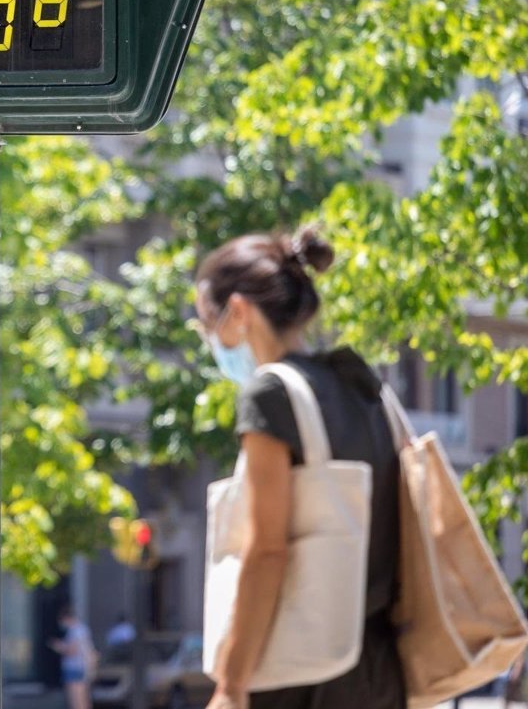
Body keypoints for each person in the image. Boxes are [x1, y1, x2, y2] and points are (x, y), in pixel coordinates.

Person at [195, 229, 404, 709]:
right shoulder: (363, 387)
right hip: (379, 667)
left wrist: (231, 683)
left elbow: (267, 551)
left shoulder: (271, 395)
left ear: (240, 312)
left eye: (207, 323)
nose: (210, 340)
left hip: (302, 673)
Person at [49, 605, 95, 709]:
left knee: (76, 701)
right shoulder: (82, 629)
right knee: (83, 700)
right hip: (81, 668)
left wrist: (58, 646)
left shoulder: (76, 631)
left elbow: (72, 650)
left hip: (74, 668)